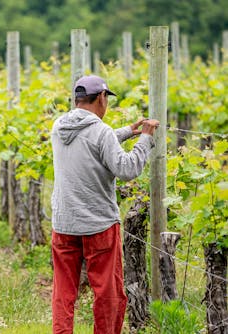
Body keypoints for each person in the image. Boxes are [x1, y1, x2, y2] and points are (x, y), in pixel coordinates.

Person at [50, 75, 160, 334]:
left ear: (77, 99)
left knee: (63, 291)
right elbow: (127, 169)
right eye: (106, 98)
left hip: (64, 224)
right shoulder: (100, 132)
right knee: (108, 293)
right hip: (99, 226)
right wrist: (144, 138)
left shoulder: (58, 127)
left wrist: (126, 132)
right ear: (101, 97)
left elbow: (90, 142)